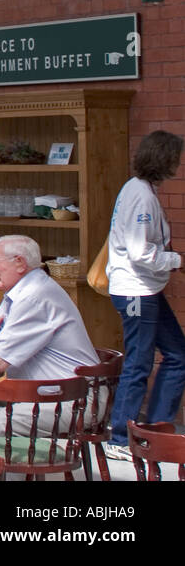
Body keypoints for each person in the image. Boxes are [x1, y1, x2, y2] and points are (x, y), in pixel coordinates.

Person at [0, 235, 99, 441]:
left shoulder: (33, 296)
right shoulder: (18, 293)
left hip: (74, 400)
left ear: (20, 263)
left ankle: (1, 470)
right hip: (45, 394)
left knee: (0, 421)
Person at [102, 130, 185, 459]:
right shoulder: (142, 196)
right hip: (136, 290)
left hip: (144, 289)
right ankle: (120, 437)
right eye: (175, 159)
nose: (178, 164)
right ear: (163, 160)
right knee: (138, 363)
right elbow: (140, 253)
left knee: (178, 355)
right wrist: (177, 260)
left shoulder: (138, 189)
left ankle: (157, 428)